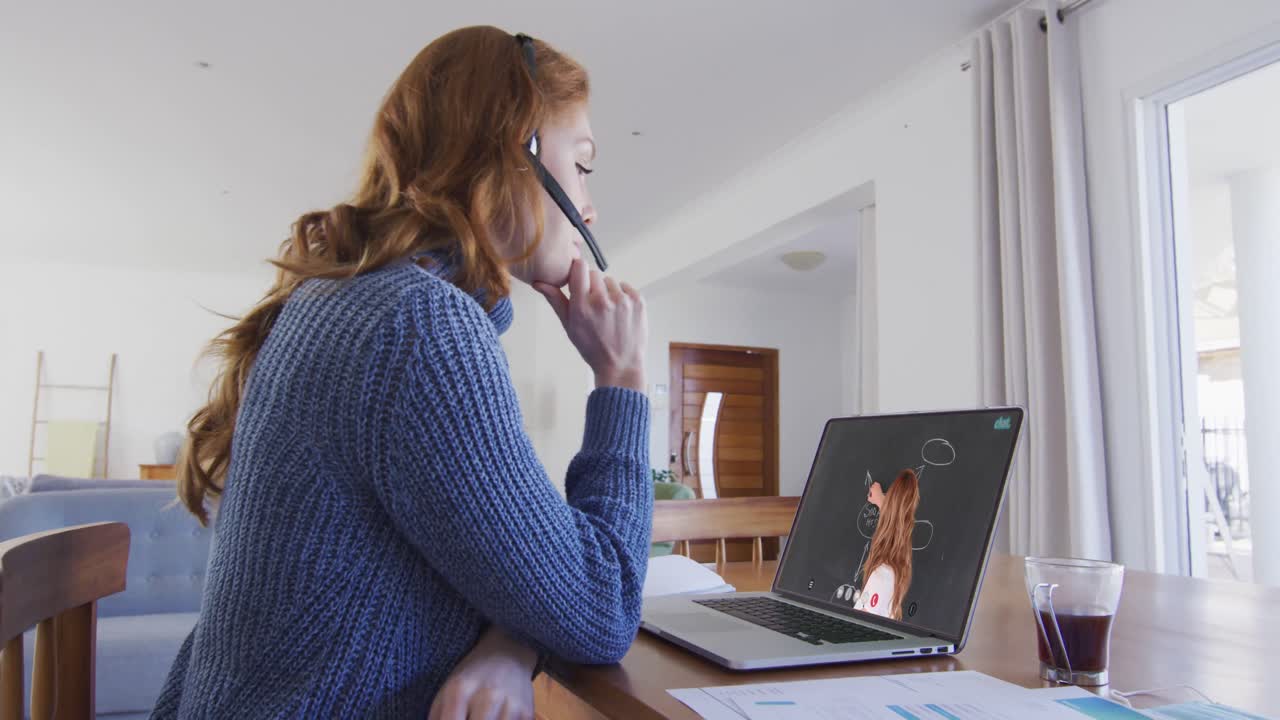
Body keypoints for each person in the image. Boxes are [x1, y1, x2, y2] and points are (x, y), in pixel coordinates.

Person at [151, 26, 652, 719]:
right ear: (519, 150)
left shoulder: (358, 303)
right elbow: (603, 608)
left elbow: (515, 562)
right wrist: (621, 380)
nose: (590, 205)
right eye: (584, 164)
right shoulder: (420, 331)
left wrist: (509, 641)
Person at [854, 469, 921, 620]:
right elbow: (896, 536)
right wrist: (885, 504)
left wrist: (886, 505)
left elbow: (861, 625)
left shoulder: (882, 576)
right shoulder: (892, 573)